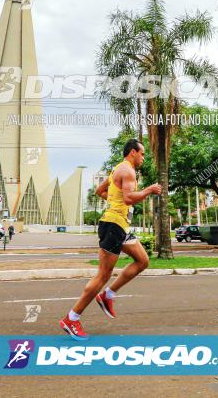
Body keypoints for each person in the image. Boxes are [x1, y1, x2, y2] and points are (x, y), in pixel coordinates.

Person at [59, 139, 161, 340]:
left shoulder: (116, 170)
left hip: (120, 225)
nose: (143, 157)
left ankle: (108, 295)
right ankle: (72, 318)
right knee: (103, 276)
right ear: (133, 152)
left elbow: (100, 191)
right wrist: (149, 190)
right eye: (142, 153)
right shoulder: (128, 171)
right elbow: (130, 198)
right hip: (113, 226)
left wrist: (116, 203)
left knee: (142, 261)